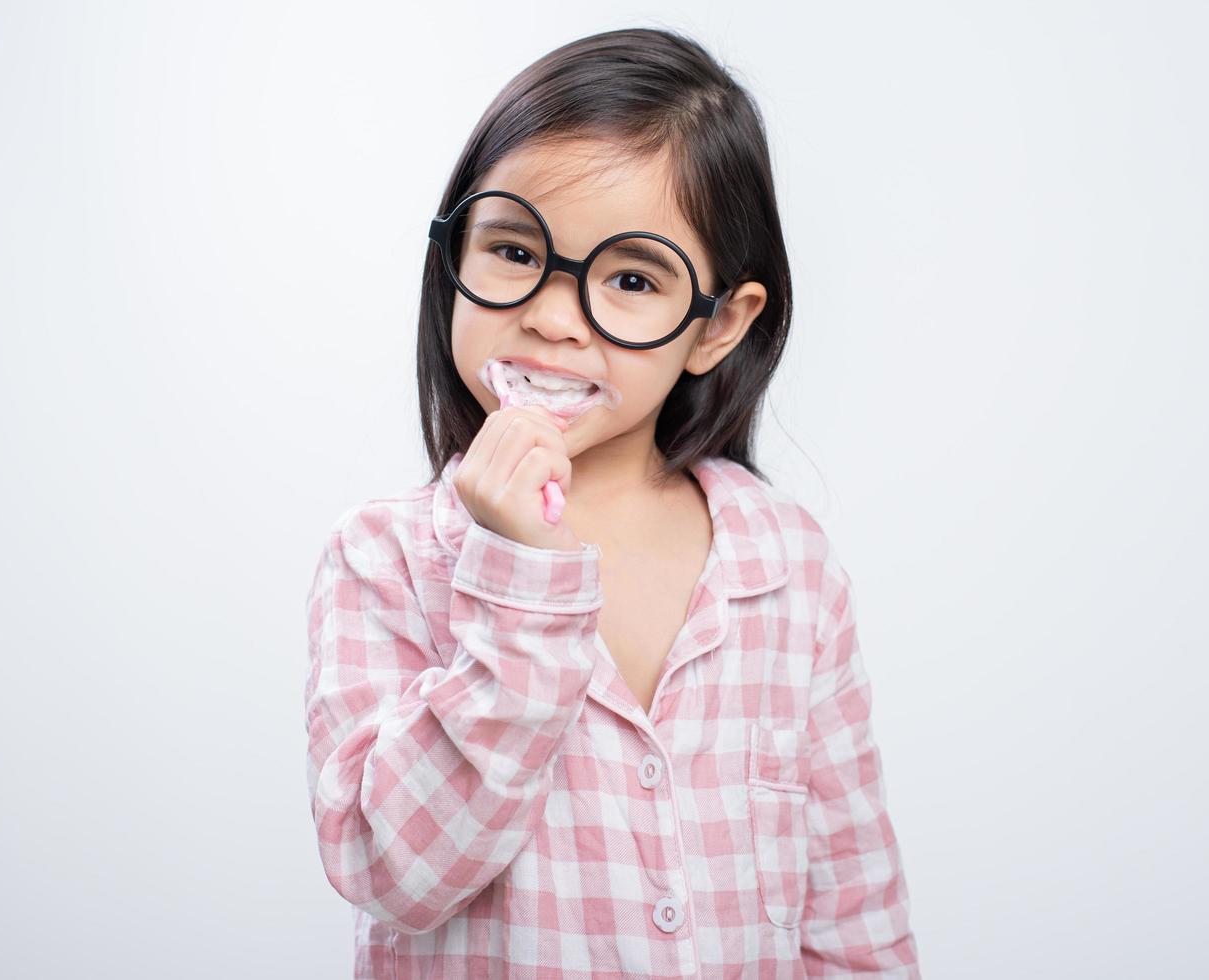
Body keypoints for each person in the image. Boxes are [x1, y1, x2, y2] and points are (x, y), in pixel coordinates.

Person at [305, 26, 920, 978]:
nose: (552, 316)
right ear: (452, 254)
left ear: (719, 326)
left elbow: (853, 914)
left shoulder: (786, 567)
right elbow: (392, 870)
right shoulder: (384, 560)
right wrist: (518, 582)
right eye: (513, 250)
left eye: (631, 280)